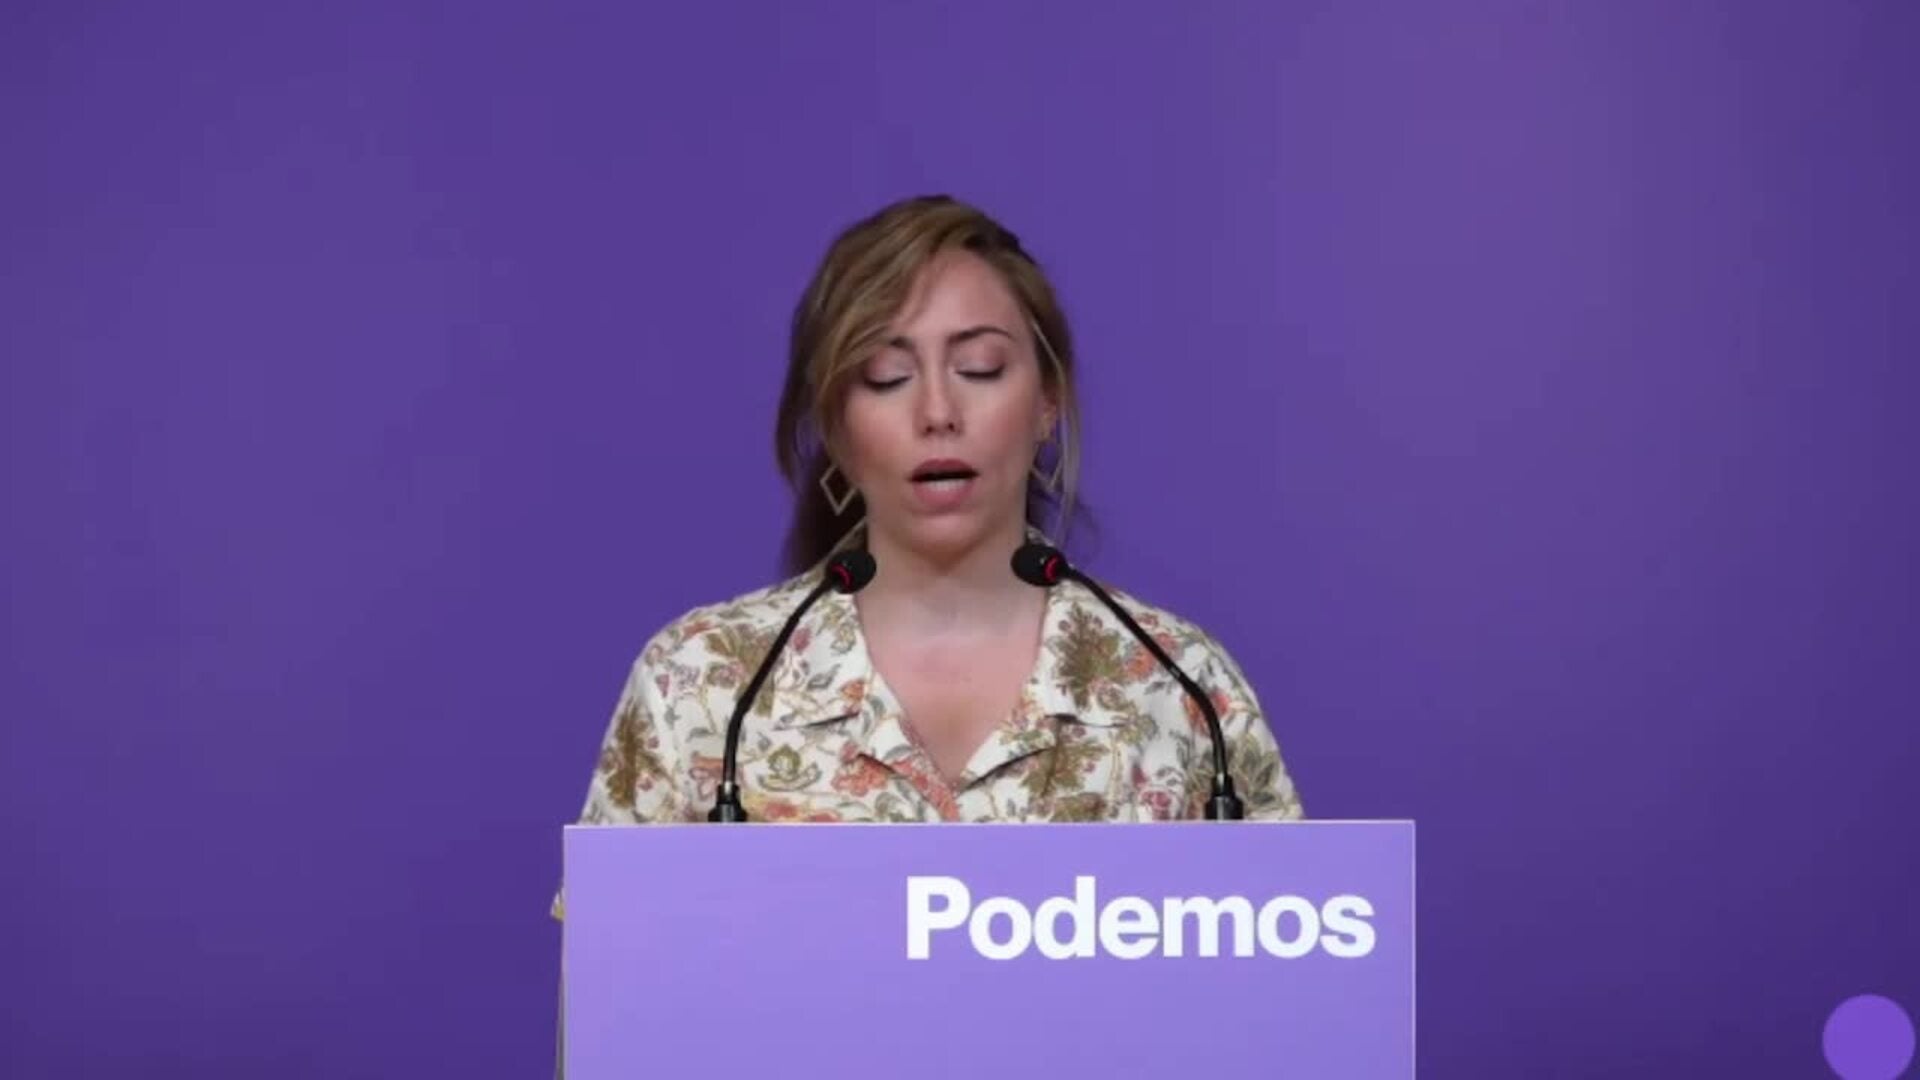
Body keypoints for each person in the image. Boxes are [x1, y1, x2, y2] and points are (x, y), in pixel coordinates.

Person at [550, 192, 1304, 1075]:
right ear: (834, 425)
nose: (938, 410)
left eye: (980, 368)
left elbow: (1287, 1010)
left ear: (1048, 401)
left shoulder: (1178, 687)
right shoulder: (704, 684)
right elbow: (601, 1035)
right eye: (885, 376)